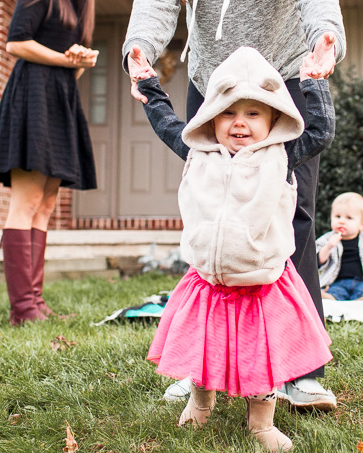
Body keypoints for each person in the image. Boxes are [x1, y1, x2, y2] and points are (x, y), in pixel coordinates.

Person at [122, 0, 345, 410]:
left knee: (289, 217)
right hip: (213, 87)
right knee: (212, 216)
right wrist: (141, 45)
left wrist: (326, 38)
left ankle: (299, 368)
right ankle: (201, 363)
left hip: (284, 81)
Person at [132, 46, 334, 452]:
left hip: (262, 283)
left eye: (253, 114)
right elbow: (167, 123)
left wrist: (313, 83)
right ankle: (200, 404)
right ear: (211, 116)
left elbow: (321, 132)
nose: (240, 123)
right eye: (228, 113)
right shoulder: (198, 153)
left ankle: (261, 423)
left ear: (275, 117)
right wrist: (149, 87)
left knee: (262, 359)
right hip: (208, 280)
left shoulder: (283, 157)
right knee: (204, 350)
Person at [0, 0, 100, 325]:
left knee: (48, 203)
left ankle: (35, 301)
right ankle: (22, 309)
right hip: (31, 99)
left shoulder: (76, 4)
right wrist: (66, 59)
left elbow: (68, 72)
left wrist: (80, 63)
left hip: (59, 101)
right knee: (27, 201)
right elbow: (15, 43)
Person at [316, 192, 363, 301]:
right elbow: (316, 262)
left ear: (362, 224)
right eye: (337, 216)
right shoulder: (327, 239)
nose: (341, 221)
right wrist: (328, 247)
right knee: (336, 292)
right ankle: (329, 299)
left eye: (349, 218)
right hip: (337, 282)